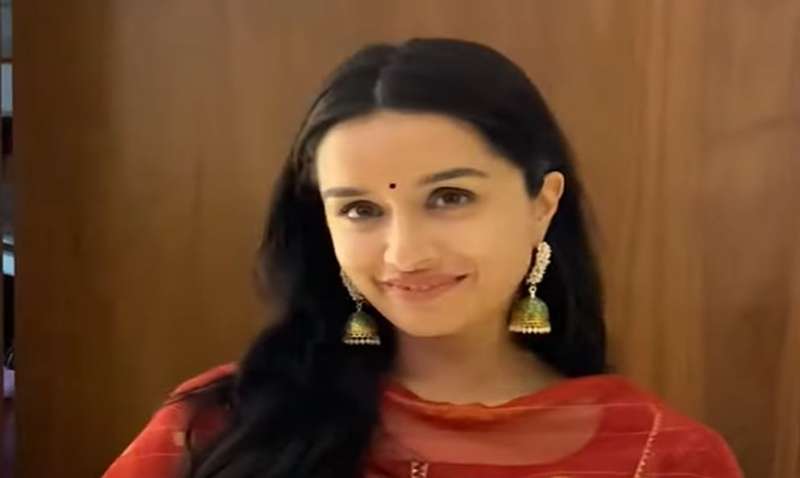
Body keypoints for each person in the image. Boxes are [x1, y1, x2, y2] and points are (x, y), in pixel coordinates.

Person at [103, 38, 743, 478]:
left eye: (449, 198)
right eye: (361, 209)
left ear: (542, 204)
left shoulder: (663, 457)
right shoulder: (224, 424)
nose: (405, 252)